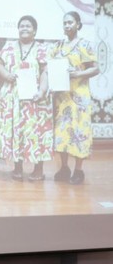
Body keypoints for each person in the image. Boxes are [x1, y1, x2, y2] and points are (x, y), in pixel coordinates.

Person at [0, 15, 51, 181]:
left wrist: (42, 91)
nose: (24, 28)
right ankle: (17, 167)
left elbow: (45, 71)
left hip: (35, 97)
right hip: (13, 96)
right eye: (22, 26)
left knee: (37, 132)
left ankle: (38, 169)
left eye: (28, 26)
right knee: (16, 130)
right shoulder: (9, 47)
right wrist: (6, 75)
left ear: (35, 30)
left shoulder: (42, 49)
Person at [51, 11, 99, 184]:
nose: (67, 25)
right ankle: (64, 167)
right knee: (62, 132)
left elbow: (96, 68)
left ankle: (78, 170)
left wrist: (78, 73)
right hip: (62, 97)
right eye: (65, 23)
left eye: (70, 22)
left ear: (78, 24)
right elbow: (50, 67)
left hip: (79, 97)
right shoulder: (58, 46)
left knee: (79, 132)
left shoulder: (85, 44)